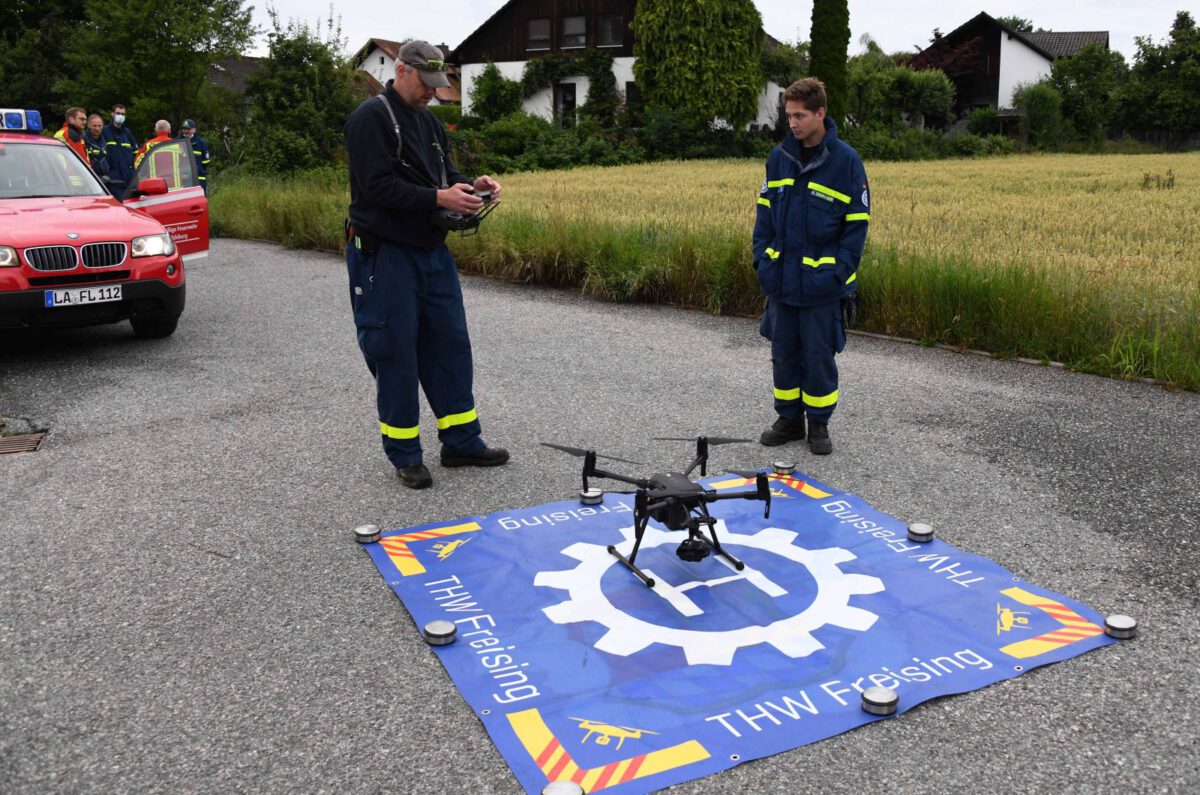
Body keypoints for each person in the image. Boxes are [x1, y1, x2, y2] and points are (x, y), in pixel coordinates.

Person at [343, 40, 508, 489]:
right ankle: (405, 455)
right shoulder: (370, 119)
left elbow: (444, 175)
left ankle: (461, 442)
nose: (432, 93)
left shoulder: (430, 123)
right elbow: (376, 188)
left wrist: (470, 186)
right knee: (395, 352)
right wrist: (439, 197)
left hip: (432, 252)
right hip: (385, 254)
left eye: (438, 85)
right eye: (425, 84)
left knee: (450, 346)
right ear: (401, 71)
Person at [752, 78, 870, 455]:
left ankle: (818, 425)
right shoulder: (779, 158)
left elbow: (856, 229)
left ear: (820, 113)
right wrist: (762, 262)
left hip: (822, 287)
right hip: (782, 283)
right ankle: (789, 420)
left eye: (800, 115)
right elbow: (764, 218)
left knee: (818, 358)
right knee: (783, 353)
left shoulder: (846, 162)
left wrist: (839, 276)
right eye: (789, 116)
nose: (793, 123)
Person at [101, 104, 139, 198]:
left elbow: (136, 154)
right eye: (118, 113)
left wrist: (133, 173)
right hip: (112, 181)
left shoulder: (127, 133)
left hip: (128, 181)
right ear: (112, 114)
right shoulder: (104, 131)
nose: (120, 116)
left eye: (123, 114)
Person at [179, 118, 211, 192]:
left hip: (198, 180)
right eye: (184, 129)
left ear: (194, 130)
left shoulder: (202, 143)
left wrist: (197, 170)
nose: (186, 131)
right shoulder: (177, 142)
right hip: (182, 181)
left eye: (188, 129)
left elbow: (205, 163)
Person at [83, 114, 112, 184]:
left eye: (99, 126)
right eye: (94, 126)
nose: (97, 128)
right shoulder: (83, 139)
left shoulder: (105, 140)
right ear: (88, 125)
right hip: (89, 178)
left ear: (103, 126)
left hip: (104, 178)